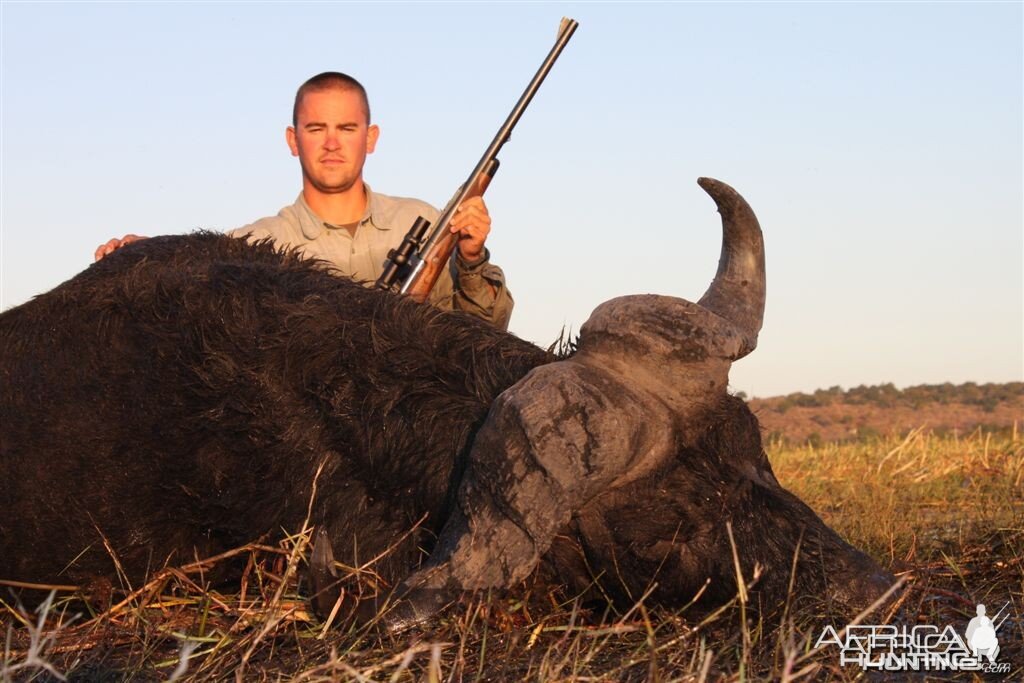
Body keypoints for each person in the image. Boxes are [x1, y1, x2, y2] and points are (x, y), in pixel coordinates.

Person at [95, 72, 513, 329]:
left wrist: (472, 258)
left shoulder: (425, 220)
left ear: (371, 139)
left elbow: (485, 333)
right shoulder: (254, 244)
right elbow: (201, 284)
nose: (332, 144)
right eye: (316, 129)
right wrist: (148, 258)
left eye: (347, 128)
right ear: (293, 141)